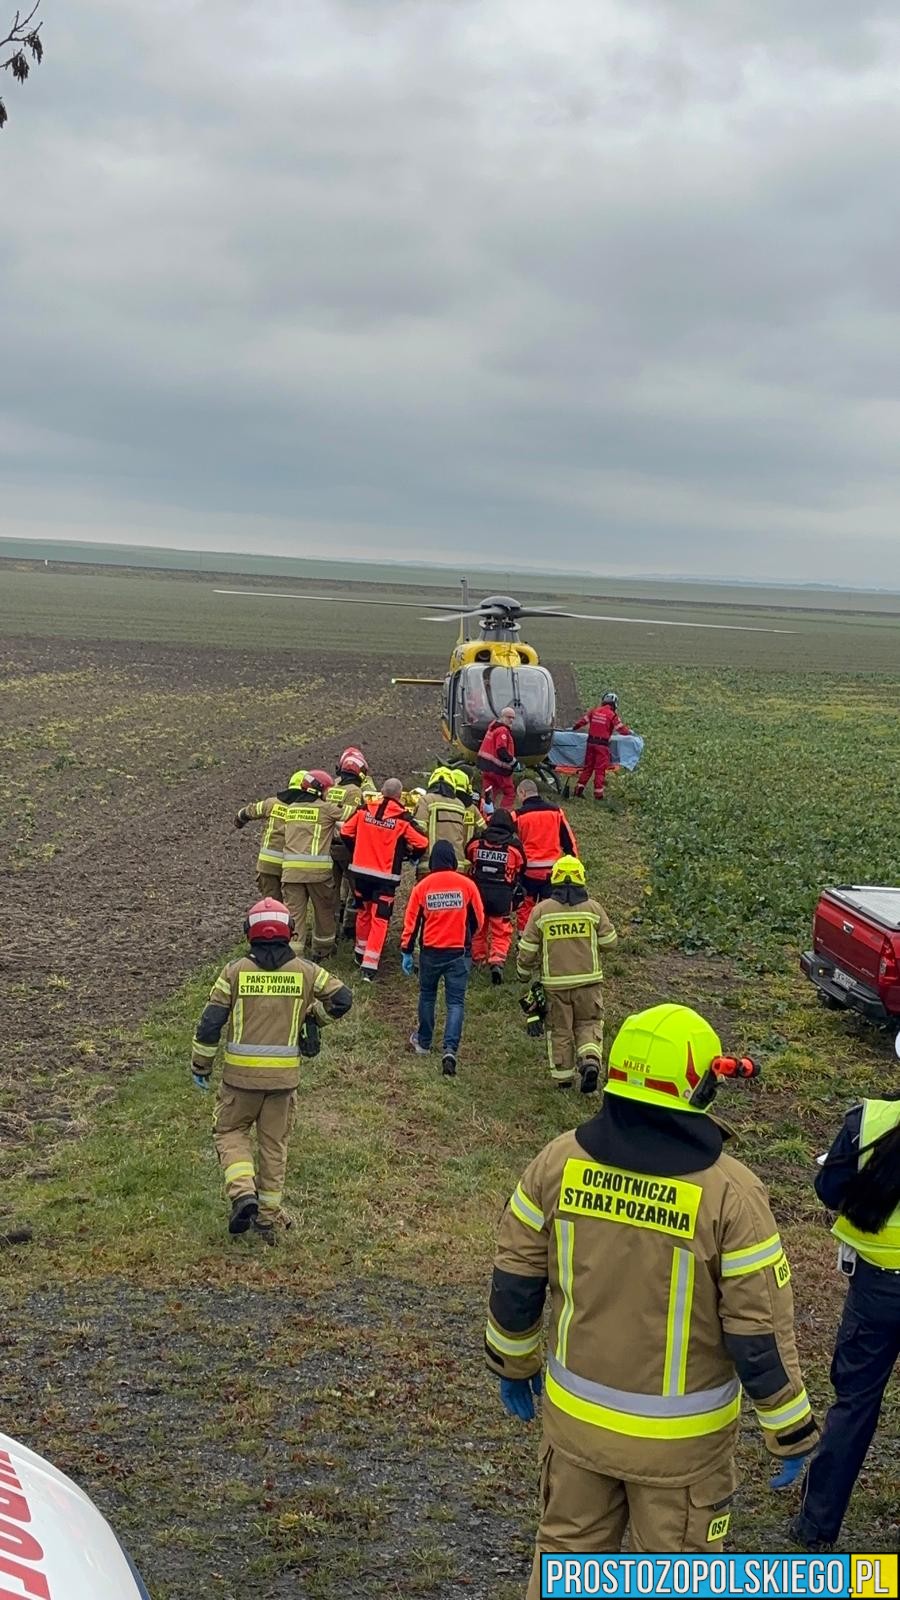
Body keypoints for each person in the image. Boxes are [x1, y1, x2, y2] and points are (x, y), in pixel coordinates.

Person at [486, 1004, 817, 1587]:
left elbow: (515, 1279)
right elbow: (757, 1332)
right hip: (680, 1454)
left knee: (564, 1563)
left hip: (576, 1431)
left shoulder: (558, 1162)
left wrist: (513, 1364)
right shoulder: (731, 1196)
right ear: (697, 1087)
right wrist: (788, 1428)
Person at [190, 897, 352, 1243]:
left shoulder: (234, 972)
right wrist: (314, 1020)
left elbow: (210, 1023)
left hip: (239, 1080)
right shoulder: (307, 971)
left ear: (249, 933)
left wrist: (201, 1064)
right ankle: (266, 1219)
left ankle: (243, 1193)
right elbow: (343, 999)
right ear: (288, 932)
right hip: (283, 1082)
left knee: (229, 1132)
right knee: (274, 1146)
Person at [788, 1090, 900, 1549]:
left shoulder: (867, 1119)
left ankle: (816, 1527)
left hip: (876, 1289)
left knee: (854, 1406)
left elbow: (828, 1190)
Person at [516, 855, 617, 1091]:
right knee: (589, 1023)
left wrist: (522, 973)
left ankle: (563, 1080)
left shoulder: (542, 911)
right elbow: (610, 942)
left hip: (555, 986)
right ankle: (590, 1060)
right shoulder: (593, 908)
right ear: (582, 879)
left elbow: (528, 949)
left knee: (560, 1030)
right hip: (589, 983)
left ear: (554, 880)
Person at [401, 840, 484, 1077]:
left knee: (427, 996)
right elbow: (479, 919)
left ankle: (424, 1042)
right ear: (453, 861)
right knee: (455, 1002)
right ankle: (449, 1049)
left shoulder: (422, 887)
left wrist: (407, 950)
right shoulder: (467, 885)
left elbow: (411, 922)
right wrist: (467, 939)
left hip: (430, 952)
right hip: (458, 952)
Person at [340, 778, 428, 980]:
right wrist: (411, 857)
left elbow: (345, 831)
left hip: (360, 873)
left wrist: (356, 850)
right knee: (380, 920)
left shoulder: (364, 810)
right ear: (399, 796)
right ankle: (369, 967)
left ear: (381, 791)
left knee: (363, 912)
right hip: (385, 878)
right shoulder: (402, 818)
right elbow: (422, 843)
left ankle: (360, 954)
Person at [277, 770, 344, 958]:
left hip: (291, 873)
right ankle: (322, 953)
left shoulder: (291, 809)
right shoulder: (326, 808)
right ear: (318, 790)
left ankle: (292, 957)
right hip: (318, 874)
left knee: (295, 915)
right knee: (324, 911)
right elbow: (350, 814)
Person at [465, 808, 525, 984]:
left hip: (478, 894)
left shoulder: (477, 842)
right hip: (502, 895)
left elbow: (469, 855)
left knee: (478, 928)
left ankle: (479, 959)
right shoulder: (514, 846)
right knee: (501, 931)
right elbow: (521, 867)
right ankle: (497, 961)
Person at [512, 779, 579, 932]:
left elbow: (501, 830)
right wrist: (575, 865)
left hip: (529, 870)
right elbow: (569, 841)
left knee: (526, 905)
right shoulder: (556, 812)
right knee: (549, 905)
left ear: (522, 793)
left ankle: (525, 937)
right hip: (553, 870)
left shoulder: (518, 815)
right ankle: (547, 935)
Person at [235, 768, 309, 898]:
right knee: (292, 907)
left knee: (271, 904)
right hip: (292, 866)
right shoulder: (309, 810)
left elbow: (247, 812)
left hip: (267, 865)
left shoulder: (271, 803)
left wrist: (239, 820)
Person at [327, 747, 377, 940]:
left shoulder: (331, 787)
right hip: (350, 846)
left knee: (331, 892)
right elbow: (368, 813)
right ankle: (349, 928)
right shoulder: (359, 790)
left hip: (328, 845)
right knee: (356, 889)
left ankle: (330, 933)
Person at [413, 766, 485, 875]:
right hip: (459, 865)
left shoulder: (426, 800)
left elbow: (418, 829)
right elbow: (483, 830)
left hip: (430, 865)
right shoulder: (461, 805)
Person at [573, 691, 631, 800]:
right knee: (600, 770)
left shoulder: (594, 711)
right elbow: (621, 729)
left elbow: (582, 722)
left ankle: (578, 790)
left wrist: (573, 729)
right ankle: (598, 795)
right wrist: (630, 734)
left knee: (588, 768)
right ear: (615, 704)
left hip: (590, 743)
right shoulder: (612, 715)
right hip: (602, 746)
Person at [477, 705, 518, 810]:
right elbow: (501, 750)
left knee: (488, 794)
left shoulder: (492, 729)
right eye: (509, 717)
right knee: (510, 793)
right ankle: (504, 815)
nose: (511, 720)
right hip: (498, 769)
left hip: (486, 767)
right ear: (502, 717)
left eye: (513, 718)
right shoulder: (503, 731)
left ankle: (486, 815)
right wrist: (513, 762)